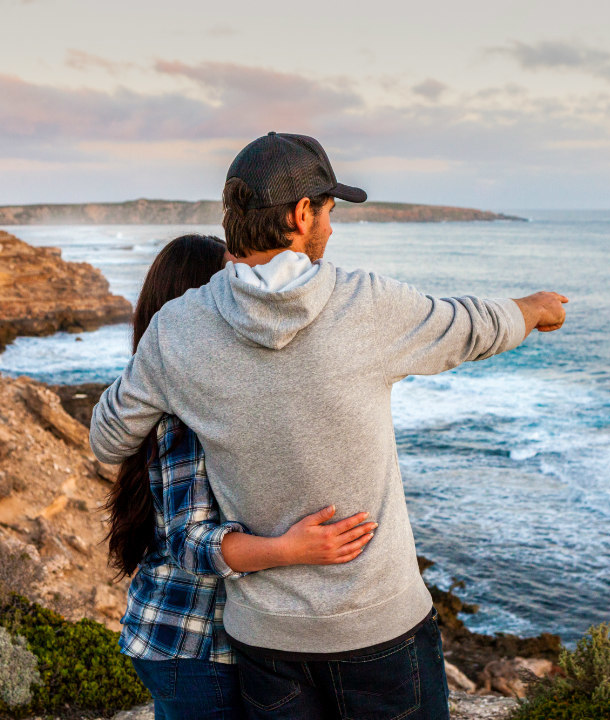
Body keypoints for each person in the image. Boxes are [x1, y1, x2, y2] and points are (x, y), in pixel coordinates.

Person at [91, 132, 568, 719]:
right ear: (300, 213)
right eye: (329, 211)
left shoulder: (176, 329)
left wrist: (181, 379)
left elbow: (109, 436)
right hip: (379, 628)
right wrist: (535, 307)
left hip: (264, 641)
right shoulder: (364, 303)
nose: (333, 228)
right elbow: (470, 326)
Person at [104, 234, 378, 720]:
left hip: (167, 633)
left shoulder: (155, 388)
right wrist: (292, 549)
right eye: (224, 288)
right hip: (193, 645)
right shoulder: (184, 411)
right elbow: (190, 542)